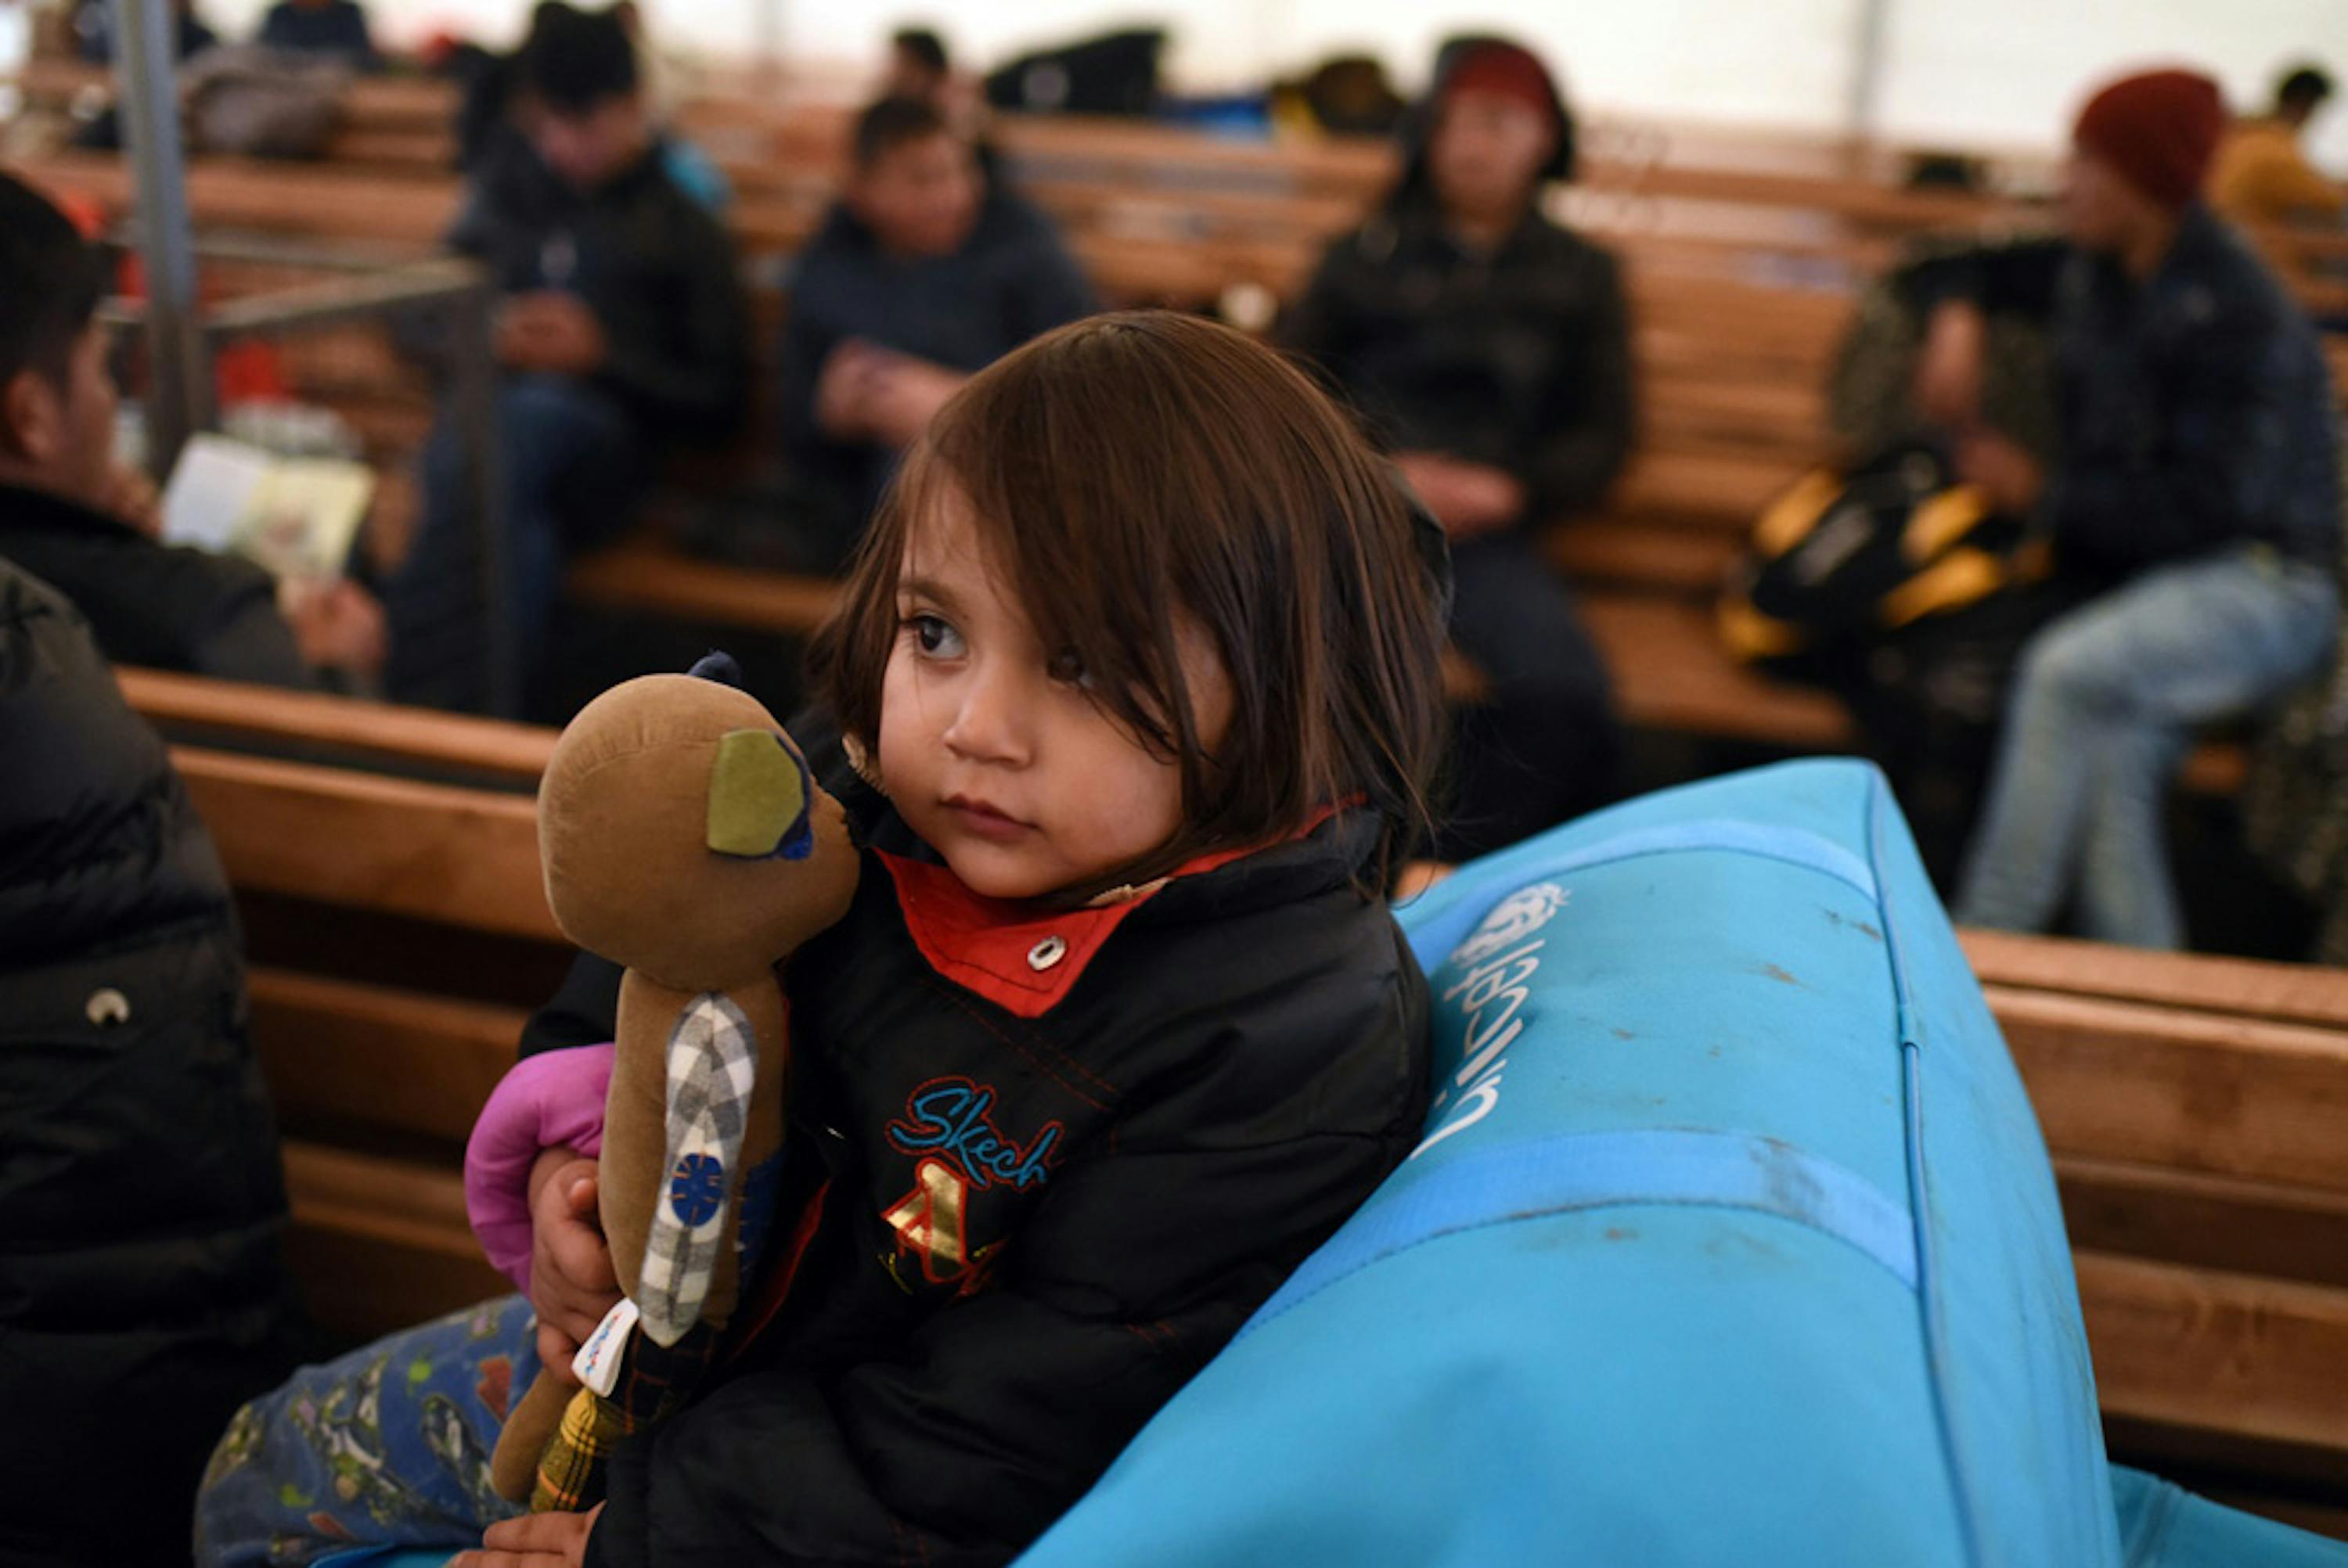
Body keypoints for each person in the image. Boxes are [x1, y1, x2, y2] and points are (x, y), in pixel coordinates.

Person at [196, 310, 1446, 1567]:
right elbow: (658, 939)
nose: (975, 726)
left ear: (1281, 676)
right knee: (259, 1478)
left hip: (815, 1501)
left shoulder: (1282, 1030)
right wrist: (578, 1167)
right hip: (654, 1369)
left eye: (1084, 665)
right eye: (937, 633)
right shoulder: (844, 789)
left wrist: (652, 1535)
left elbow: (1018, 1433)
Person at [1910, 70, 2342, 949]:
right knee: (2116, 766)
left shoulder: (2239, 311)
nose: (2066, 182)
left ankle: (1983, 951)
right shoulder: (2094, 269)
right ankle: (2160, 1001)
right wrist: (1956, 317)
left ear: (2144, 177)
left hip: (2267, 586)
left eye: (2087, 162)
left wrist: (2041, 496)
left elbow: (2219, 508)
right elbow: (1953, 261)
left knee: (2064, 671)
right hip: (2159, 593)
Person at [1283, 38, 1630, 859]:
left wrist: (1513, 489)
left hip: (1489, 537)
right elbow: (1288, 392)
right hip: (1355, 526)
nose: (1473, 144)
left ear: (1544, 139)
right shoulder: (1360, 256)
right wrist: (1379, 475)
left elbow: (1606, 435)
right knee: (1315, 680)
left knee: (1565, 695)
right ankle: (1337, 871)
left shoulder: (1582, 275)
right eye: (1455, 122)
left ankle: (1465, 870)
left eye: (1500, 122)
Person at [383, 3, 748, 713]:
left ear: (635, 107)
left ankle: (412, 700)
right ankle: (479, 712)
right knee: (520, 529)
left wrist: (603, 358)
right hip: (505, 472)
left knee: (519, 426)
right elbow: (416, 317)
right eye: (552, 122)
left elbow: (721, 401)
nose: (567, 144)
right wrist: (487, 334)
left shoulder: (683, 225)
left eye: (588, 122)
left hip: (613, 465)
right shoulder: (507, 199)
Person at [0, 173, 382, 689]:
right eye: (101, 369)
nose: (110, 402)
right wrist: (339, 671)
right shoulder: (205, 618)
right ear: (32, 419)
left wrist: (106, 534)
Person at [775, 94, 1094, 569]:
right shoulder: (830, 258)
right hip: (850, 515)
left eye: (961, 171)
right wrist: (827, 412)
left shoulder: (1022, 246)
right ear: (861, 190)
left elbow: (1090, 393)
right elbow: (791, 420)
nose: (954, 195)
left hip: (1010, 505)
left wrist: (961, 406)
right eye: (922, 179)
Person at [2209, 64, 2343, 229]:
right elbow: (2330, 201)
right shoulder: (2275, 148)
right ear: (2306, 105)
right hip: (2242, 243)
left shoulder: (2241, 135)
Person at [254, 0, 380, 70]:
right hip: (279, 78)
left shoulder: (347, 13)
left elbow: (360, 55)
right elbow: (265, 51)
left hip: (331, 79)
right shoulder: (280, 14)